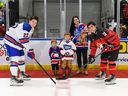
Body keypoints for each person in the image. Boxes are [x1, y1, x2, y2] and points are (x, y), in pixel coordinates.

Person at [4, 16, 39, 86]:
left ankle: (22, 73)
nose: (34, 24)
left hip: (18, 43)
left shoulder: (31, 28)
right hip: (11, 42)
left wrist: (29, 49)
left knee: (22, 58)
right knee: (15, 59)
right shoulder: (25, 27)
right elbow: (23, 40)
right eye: (33, 22)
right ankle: (13, 78)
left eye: (35, 23)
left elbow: (26, 39)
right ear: (29, 21)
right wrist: (30, 50)